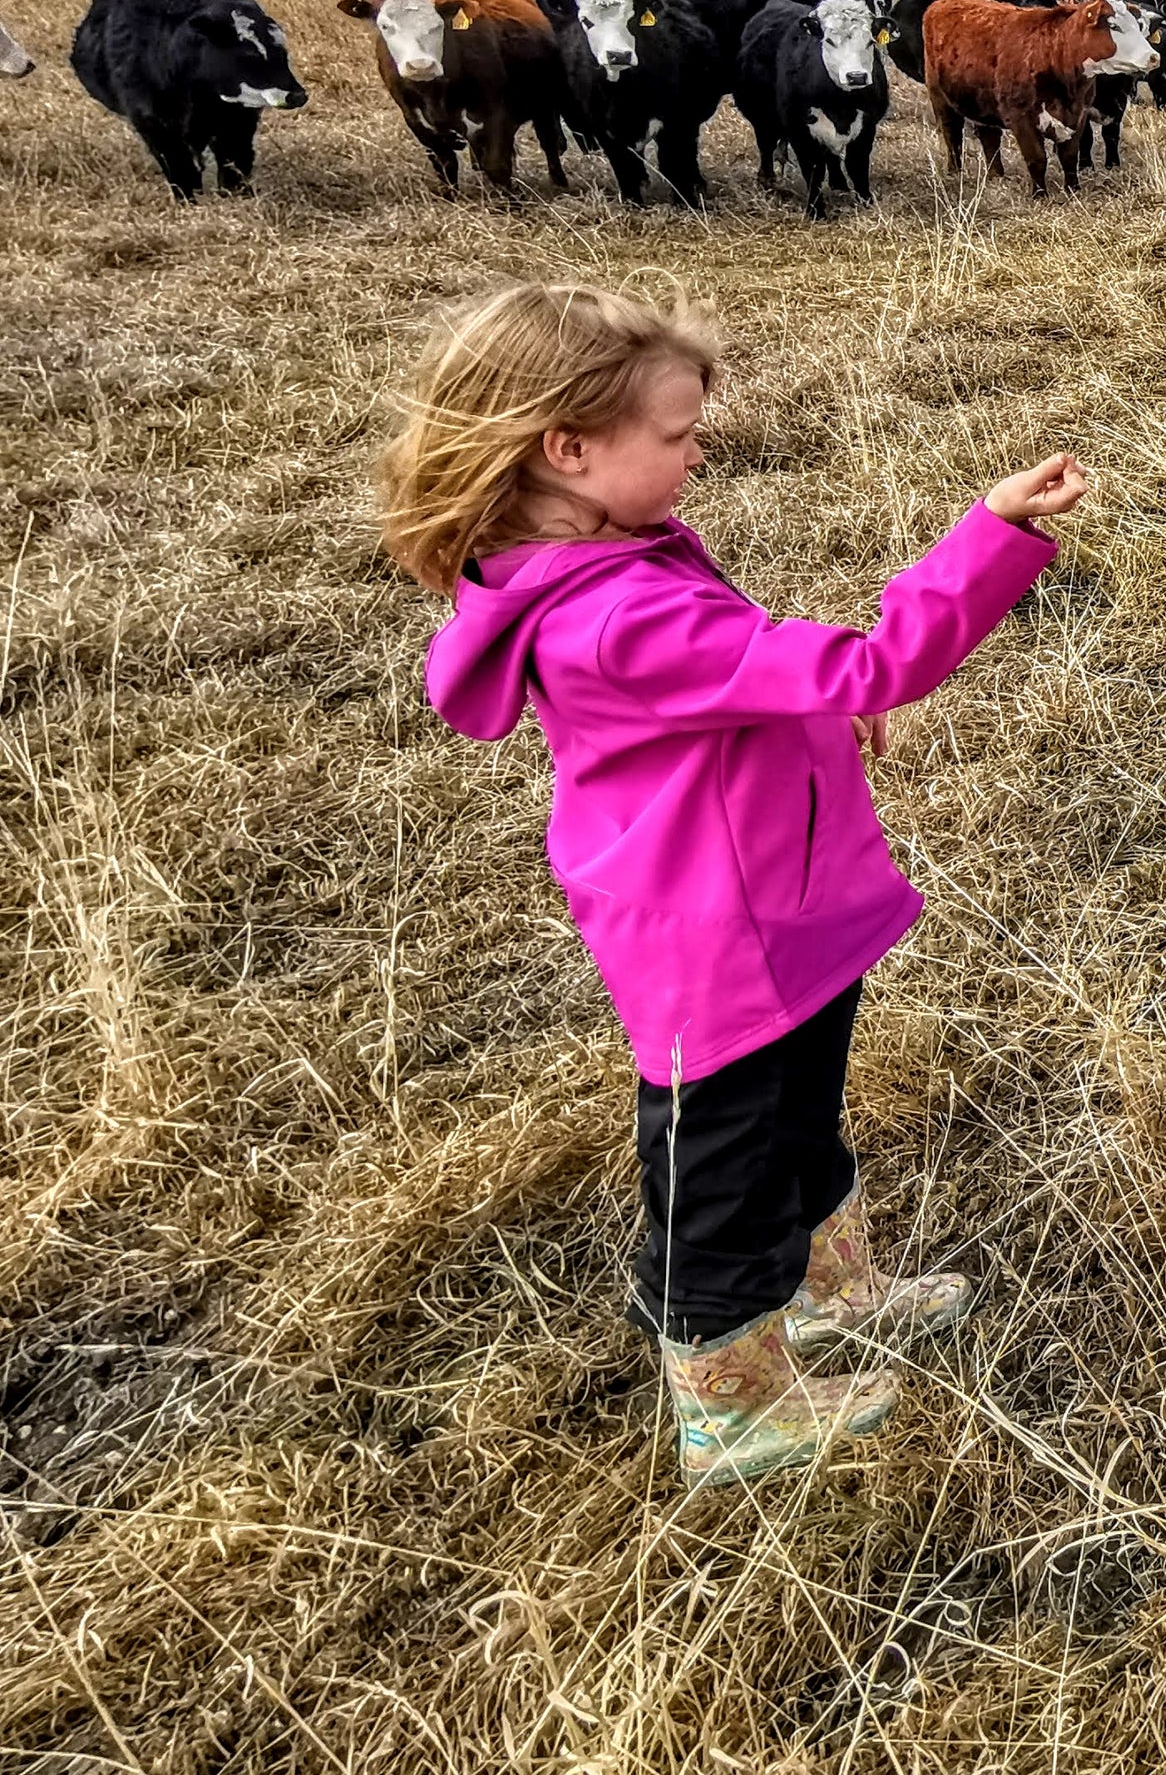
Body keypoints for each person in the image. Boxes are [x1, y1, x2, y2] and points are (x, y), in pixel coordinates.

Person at [379, 279, 1087, 1489]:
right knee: (721, 1168)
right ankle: (729, 1404)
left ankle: (829, 1294)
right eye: (677, 435)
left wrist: (804, 728)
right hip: (725, 936)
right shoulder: (613, 614)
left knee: (799, 1116)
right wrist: (991, 532)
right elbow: (873, 662)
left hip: (775, 903)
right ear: (571, 449)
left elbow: (731, 701)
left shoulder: (610, 558)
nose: (698, 453)